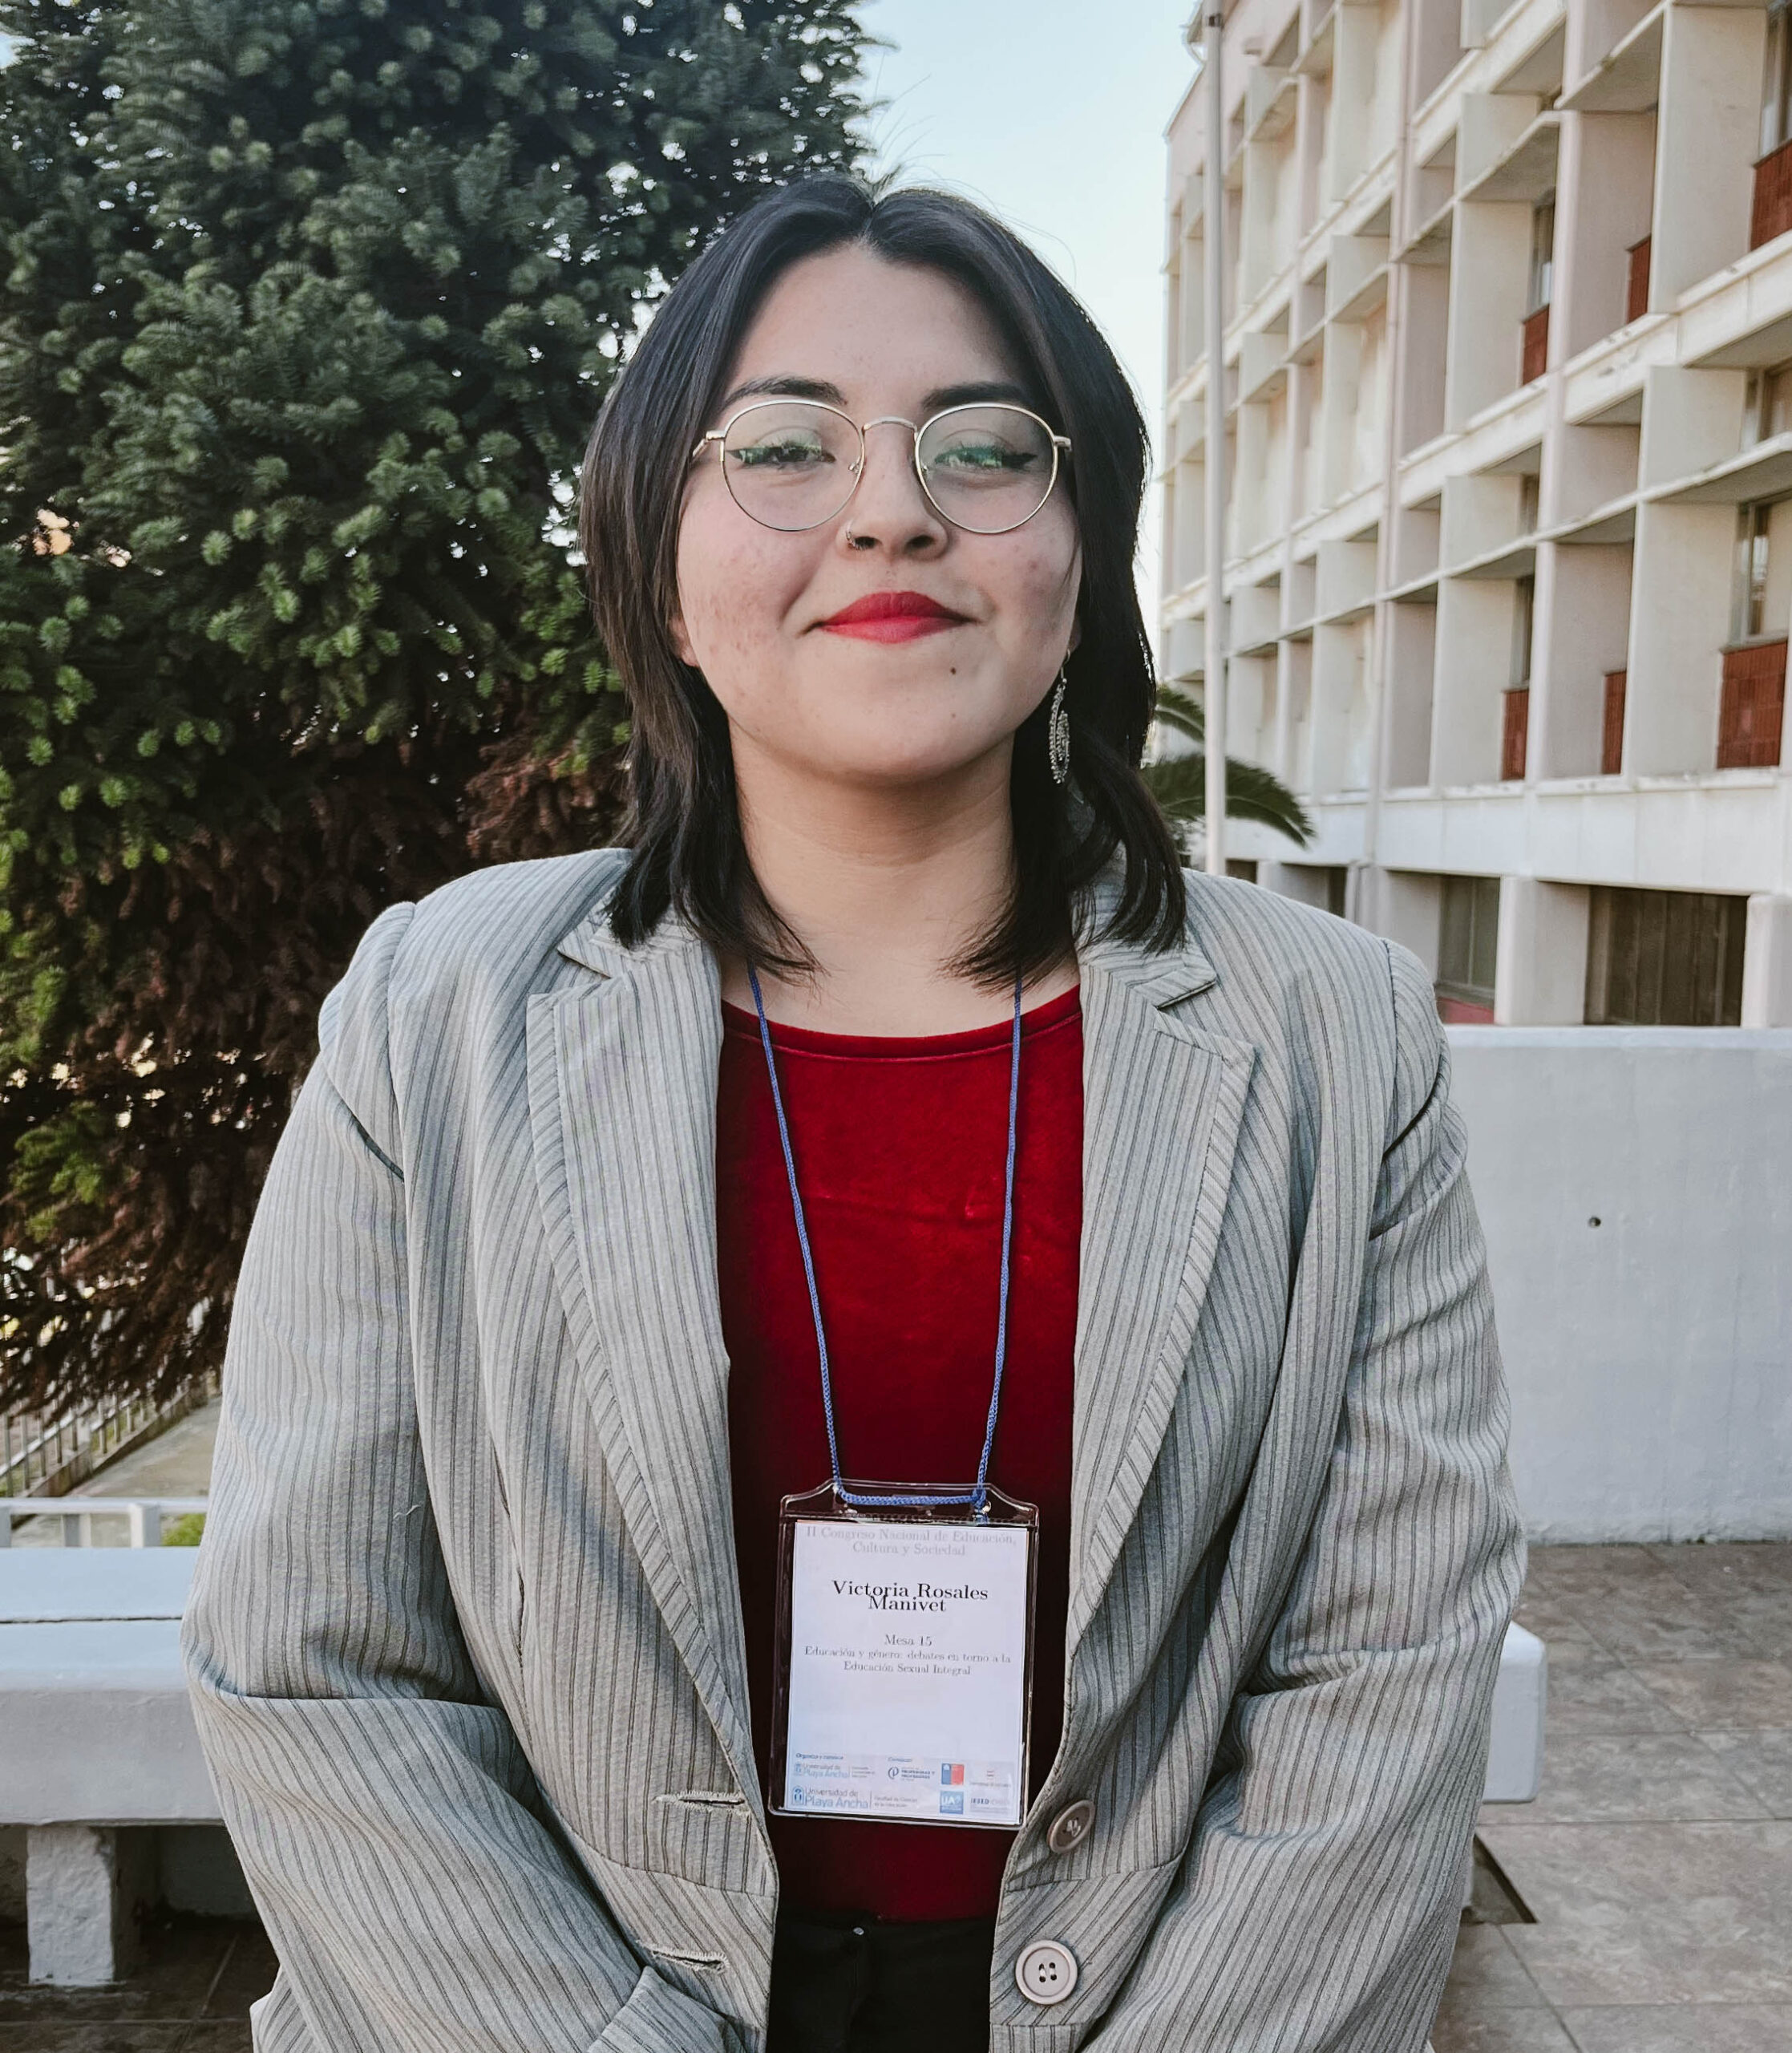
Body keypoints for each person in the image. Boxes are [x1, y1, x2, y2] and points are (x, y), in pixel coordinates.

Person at [182, 173, 1524, 2053]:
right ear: (659, 564)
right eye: (785, 446)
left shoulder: (1333, 1036)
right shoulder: (438, 1009)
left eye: (982, 447)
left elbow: (1382, 1660)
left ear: (1080, 551)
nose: (892, 507)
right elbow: (316, 1658)